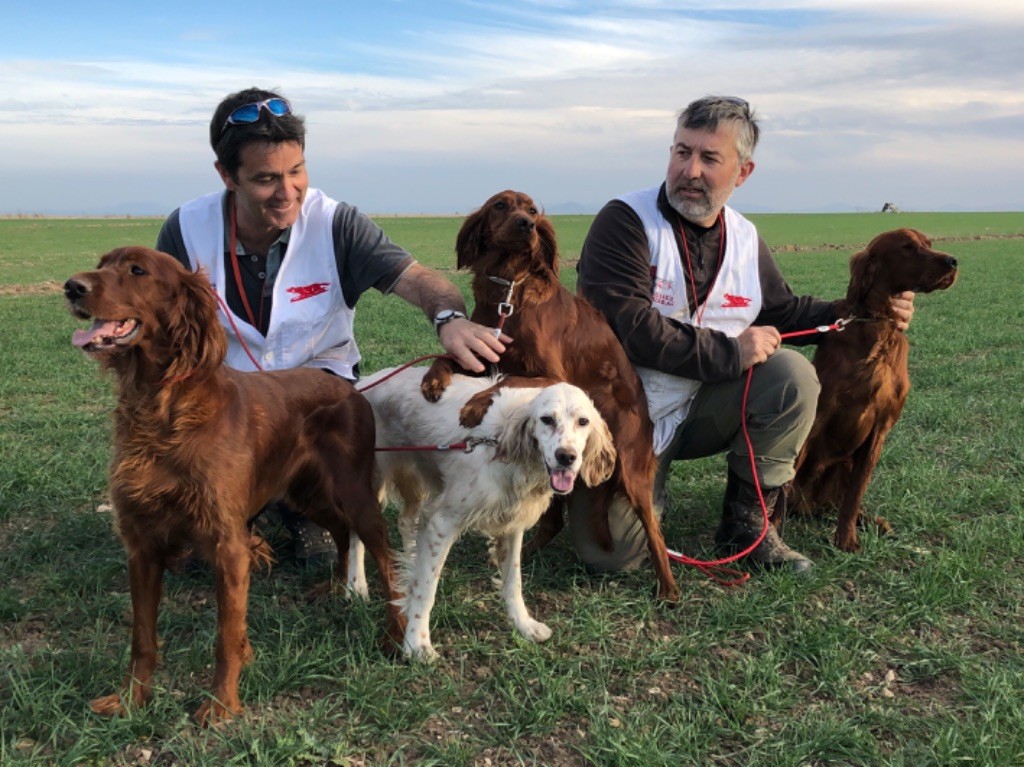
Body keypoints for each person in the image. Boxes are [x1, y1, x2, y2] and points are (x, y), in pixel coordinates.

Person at [156, 87, 508, 566]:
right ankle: (242, 500)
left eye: (296, 171)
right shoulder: (184, 229)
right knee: (201, 550)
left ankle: (306, 507)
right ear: (226, 176)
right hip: (228, 408)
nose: (287, 192)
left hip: (317, 412)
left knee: (330, 527)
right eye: (265, 179)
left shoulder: (336, 222)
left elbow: (420, 280)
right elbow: (160, 325)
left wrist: (448, 317)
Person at [568, 95, 915, 574]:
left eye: (709, 158)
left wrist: (869, 310)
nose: (689, 170)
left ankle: (748, 523)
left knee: (790, 375)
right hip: (621, 413)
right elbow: (629, 326)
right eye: (681, 151)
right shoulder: (625, 221)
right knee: (614, 558)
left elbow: (783, 310)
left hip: (703, 405)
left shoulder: (745, 237)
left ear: (742, 172)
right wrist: (732, 352)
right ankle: (613, 484)